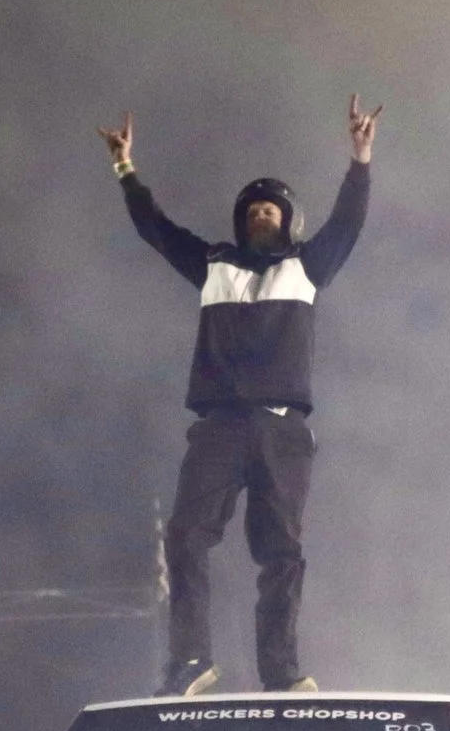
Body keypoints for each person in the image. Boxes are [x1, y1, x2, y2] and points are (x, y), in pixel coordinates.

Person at [101, 95, 380, 696]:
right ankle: (192, 660)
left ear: (288, 221)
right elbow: (156, 230)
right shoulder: (213, 266)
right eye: (252, 210)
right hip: (221, 425)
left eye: (270, 211)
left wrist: (360, 161)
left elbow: (349, 224)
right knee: (185, 536)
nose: (260, 216)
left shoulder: (306, 267)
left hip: (282, 427)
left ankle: (280, 670)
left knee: (281, 549)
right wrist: (127, 171)